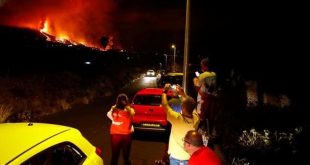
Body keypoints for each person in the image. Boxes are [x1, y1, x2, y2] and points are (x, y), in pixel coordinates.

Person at [162, 83, 200, 165]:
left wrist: (164, 91)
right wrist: (183, 94)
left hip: (175, 157)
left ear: (182, 108)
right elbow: (192, 105)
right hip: (188, 157)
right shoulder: (196, 119)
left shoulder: (176, 119)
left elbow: (164, 104)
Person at [107, 93, 135, 165]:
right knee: (126, 156)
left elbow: (108, 115)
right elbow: (132, 113)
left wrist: (114, 107)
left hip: (115, 135)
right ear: (126, 100)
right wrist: (127, 106)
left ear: (117, 101)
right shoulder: (129, 110)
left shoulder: (113, 110)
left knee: (115, 155)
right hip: (126, 135)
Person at [193, 58, 218, 134]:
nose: (201, 67)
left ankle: (198, 134)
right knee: (210, 119)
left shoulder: (202, 76)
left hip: (203, 100)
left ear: (204, 66)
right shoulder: (214, 74)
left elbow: (197, 86)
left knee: (200, 119)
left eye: (202, 65)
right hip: (212, 100)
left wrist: (195, 79)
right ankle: (210, 134)